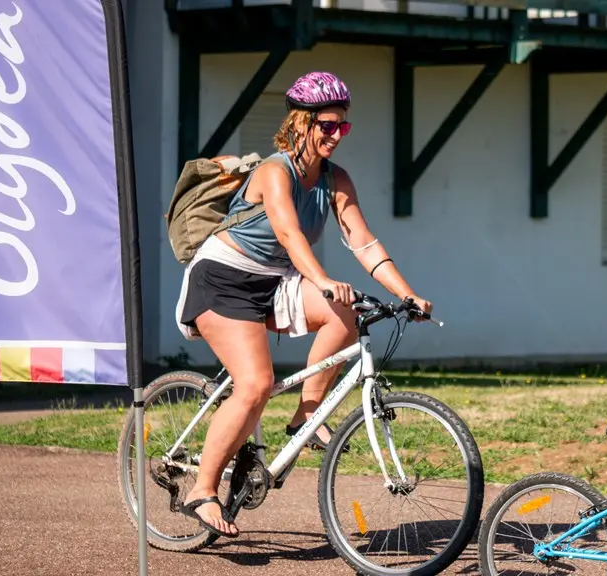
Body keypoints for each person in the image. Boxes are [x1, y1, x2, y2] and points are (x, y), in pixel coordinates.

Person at [173, 71, 433, 538]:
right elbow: (290, 234)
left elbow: (365, 243)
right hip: (224, 279)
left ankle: (307, 414)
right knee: (255, 384)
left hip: (274, 281)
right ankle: (202, 488)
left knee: (345, 314)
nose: (336, 135)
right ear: (302, 122)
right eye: (327, 125)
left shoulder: (336, 179)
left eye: (343, 127)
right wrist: (323, 279)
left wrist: (407, 293)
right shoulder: (275, 172)